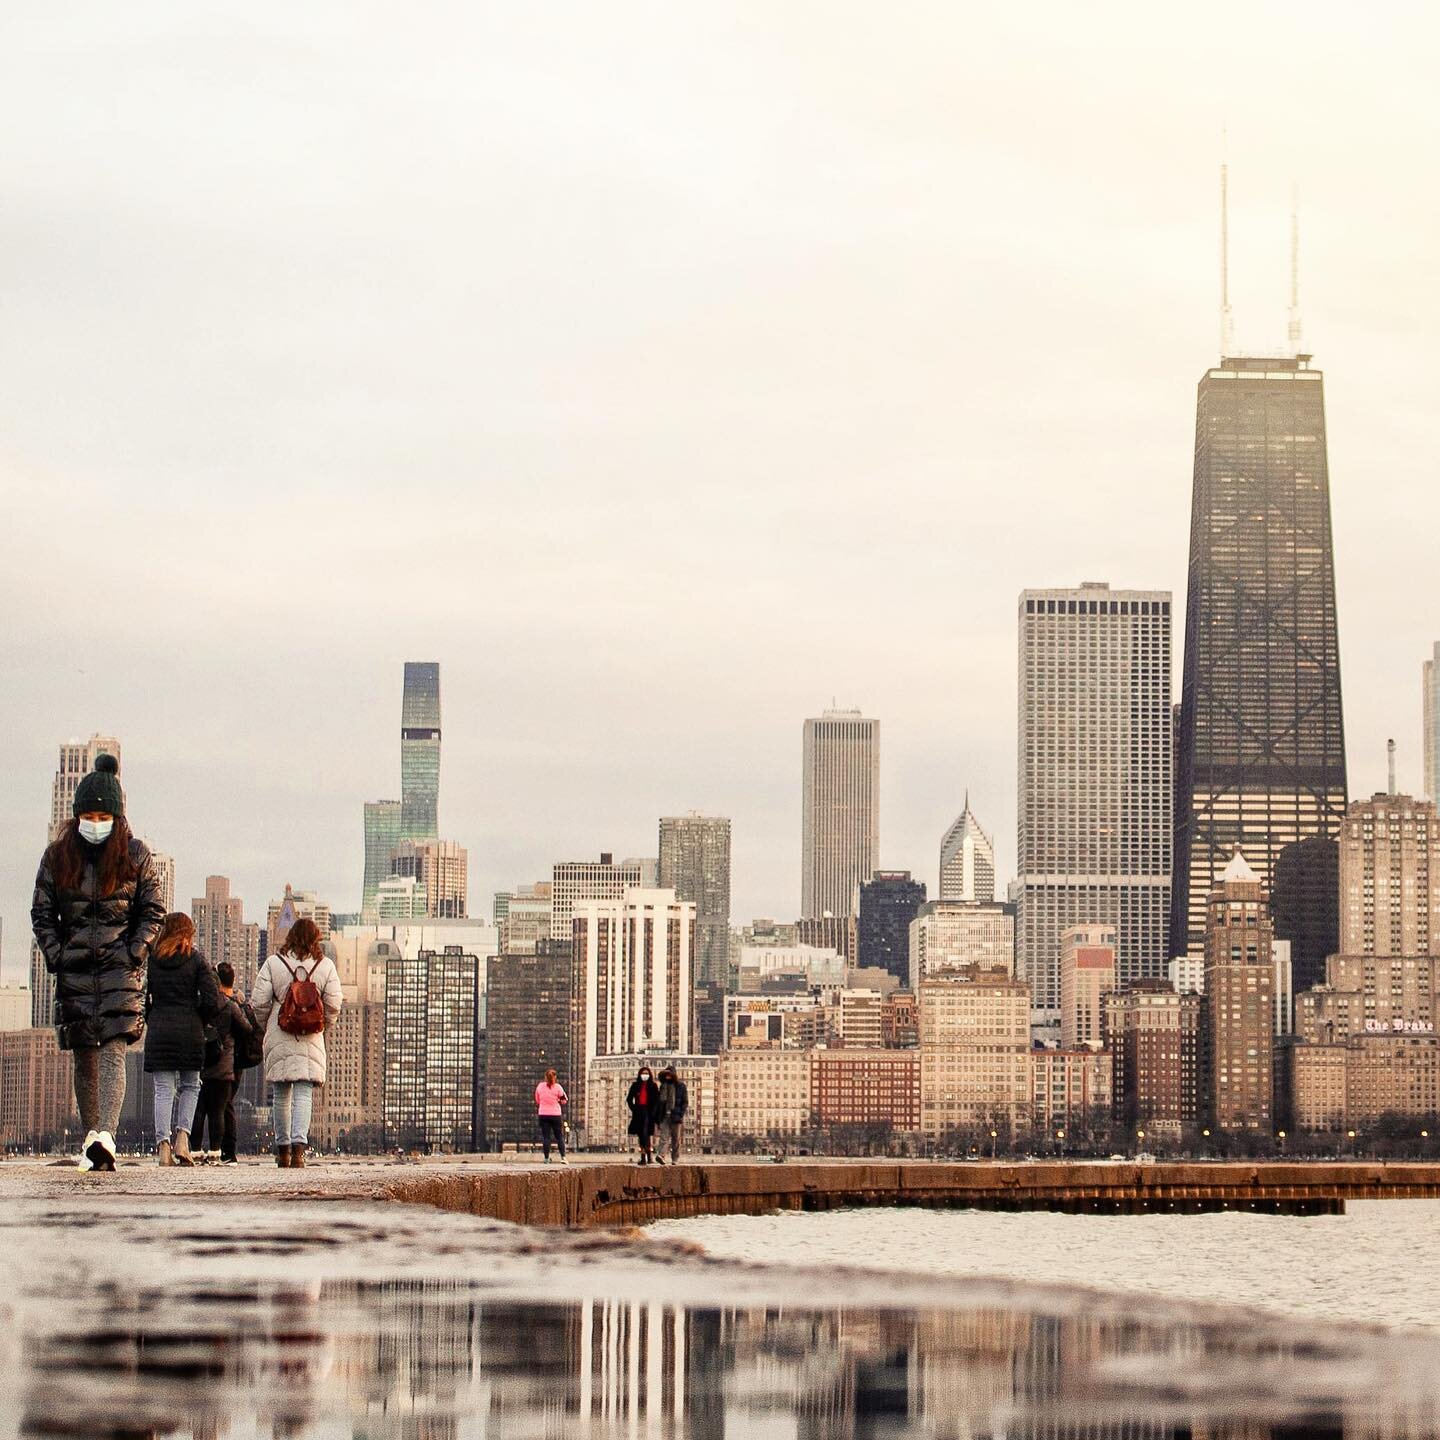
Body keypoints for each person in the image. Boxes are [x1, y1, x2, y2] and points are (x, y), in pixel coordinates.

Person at [30, 753, 165, 1173]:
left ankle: (105, 1133)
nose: (94, 821)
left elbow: (153, 912)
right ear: (76, 816)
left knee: (112, 1053)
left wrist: (133, 953)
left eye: (102, 814)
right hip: (73, 972)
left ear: (117, 816)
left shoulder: (136, 856)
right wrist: (56, 955)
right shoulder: (57, 857)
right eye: (87, 813)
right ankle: (93, 1136)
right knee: (83, 1057)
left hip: (118, 971)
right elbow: (41, 913)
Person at [252, 918, 342, 1168]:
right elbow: (334, 1004)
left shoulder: (273, 963)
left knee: (281, 1094)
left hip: (280, 1031)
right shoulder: (325, 966)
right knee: (304, 1093)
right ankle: (299, 1151)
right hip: (311, 1035)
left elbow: (258, 1002)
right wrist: (321, 1024)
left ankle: (282, 1151)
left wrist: (268, 1024)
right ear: (316, 939)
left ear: (290, 936)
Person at [144, 913, 222, 1166]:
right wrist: (199, 1016)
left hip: (159, 1030)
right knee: (190, 1085)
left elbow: (143, 996)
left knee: (163, 1090)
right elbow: (212, 999)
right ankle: (182, 1139)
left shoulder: (153, 960)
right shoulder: (197, 960)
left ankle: (162, 1146)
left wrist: (152, 1018)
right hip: (190, 1030)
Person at [195, 960, 254, 1164]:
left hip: (206, 1061)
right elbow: (247, 1029)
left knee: (202, 1107)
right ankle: (224, 1151)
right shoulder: (234, 1005)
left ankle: (196, 1149)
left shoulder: (205, 1004)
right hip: (230, 1063)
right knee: (224, 1107)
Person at [625, 1063, 664, 1165]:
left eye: (646, 1073)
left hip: (649, 1112)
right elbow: (629, 1099)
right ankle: (643, 1156)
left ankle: (649, 1156)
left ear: (649, 1074)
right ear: (639, 1074)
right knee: (641, 1134)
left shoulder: (653, 1085)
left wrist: (654, 1112)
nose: (644, 1075)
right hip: (638, 1112)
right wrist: (634, 1108)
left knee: (646, 1133)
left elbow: (657, 1100)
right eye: (643, 1073)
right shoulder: (635, 1085)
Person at [655, 1065, 689, 1165]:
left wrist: (680, 1114)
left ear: (674, 1075)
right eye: (666, 1075)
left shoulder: (681, 1086)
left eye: (669, 1075)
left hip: (676, 1116)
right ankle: (661, 1155)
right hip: (665, 1116)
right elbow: (659, 1103)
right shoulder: (663, 1086)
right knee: (664, 1137)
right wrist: (658, 1117)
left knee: (676, 1138)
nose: (667, 1077)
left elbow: (685, 1102)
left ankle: (675, 1158)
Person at [535, 1068, 568, 1163]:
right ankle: (563, 1157)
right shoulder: (558, 1088)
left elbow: (537, 1100)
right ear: (555, 1077)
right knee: (559, 1136)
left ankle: (546, 1158)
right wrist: (557, 1100)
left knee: (546, 1137)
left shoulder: (540, 1086)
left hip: (543, 1114)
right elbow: (564, 1100)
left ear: (545, 1077)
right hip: (555, 1115)